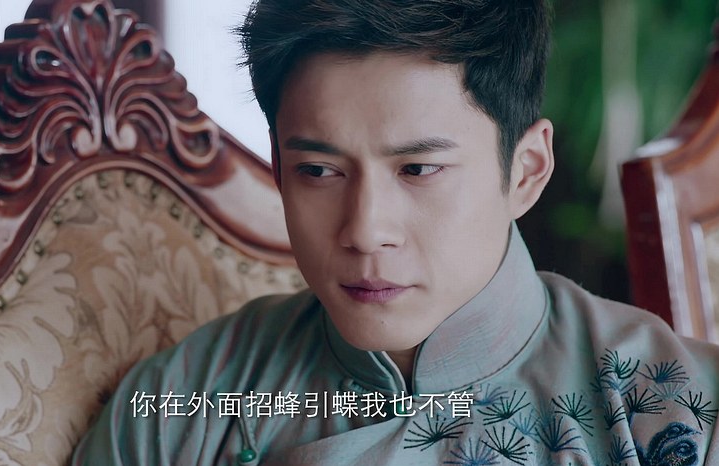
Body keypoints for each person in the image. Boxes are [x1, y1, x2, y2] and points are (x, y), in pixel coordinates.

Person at [73, 0, 719, 464]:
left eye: (417, 169)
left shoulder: (681, 407)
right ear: (279, 169)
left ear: (525, 171)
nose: (364, 231)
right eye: (318, 170)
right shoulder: (182, 402)